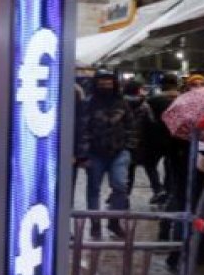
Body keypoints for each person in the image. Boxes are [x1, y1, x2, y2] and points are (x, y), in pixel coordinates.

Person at [78, 69, 139, 237]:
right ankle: (95, 224)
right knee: (93, 189)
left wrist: (129, 147)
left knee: (120, 186)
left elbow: (131, 125)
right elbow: (83, 128)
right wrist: (83, 154)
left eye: (108, 82)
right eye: (102, 82)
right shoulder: (89, 103)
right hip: (95, 152)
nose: (105, 85)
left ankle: (114, 221)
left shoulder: (122, 103)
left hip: (119, 152)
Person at [122, 79, 164, 203]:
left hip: (125, 142)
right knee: (150, 166)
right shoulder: (144, 105)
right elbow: (151, 123)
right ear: (137, 90)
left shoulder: (121, 103)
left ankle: (124, 195)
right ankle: (158, 190)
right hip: (142, 142)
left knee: (128, 169)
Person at [144, 73, 182, 205]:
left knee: (149, 164)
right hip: (176, 138)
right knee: (170, 166)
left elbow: (146, 119)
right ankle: (168, 191)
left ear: (161, 85)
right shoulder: (183, 99)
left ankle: (158, 189)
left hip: (155, 138)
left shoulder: (152, 100)